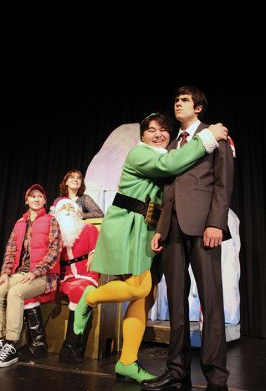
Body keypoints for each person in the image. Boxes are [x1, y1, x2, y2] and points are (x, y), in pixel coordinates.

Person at [73, 112, 228, 383]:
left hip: (149, 230)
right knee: (139, 287)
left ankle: (127, 361)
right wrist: (207, 136)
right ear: (142, 136)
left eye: (163, 130)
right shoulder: (141, 154)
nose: (158, 134)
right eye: (152, 130)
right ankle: (90, 298)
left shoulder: (163, 152)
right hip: (127, 226)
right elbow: (170, 165)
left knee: (146, 297)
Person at [142, 87, 234, 391]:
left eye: (183, 101)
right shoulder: (173, 146)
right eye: (176, 101)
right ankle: (177, 369)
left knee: (211, 301)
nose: (177, 104)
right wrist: (160, 229)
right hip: (173, 229)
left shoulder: (215, 136)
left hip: (204, 228)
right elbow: (167, 191)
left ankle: (216, 377)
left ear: (198, 108)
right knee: (177, 304)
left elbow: (223, 183)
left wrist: (215, 224)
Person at [0, 184, 62, 367]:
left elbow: (54, 252)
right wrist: (5, 272)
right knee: (1, 289)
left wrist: (36, 271)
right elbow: (10, 250)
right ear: (27, 200)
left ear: (44, 200)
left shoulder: (51, 221)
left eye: (39, 196)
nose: (36, 199)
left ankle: (11, 344)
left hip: (44, 276)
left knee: (15, 293)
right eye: (32, 196)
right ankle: (1, 340)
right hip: (21, 273)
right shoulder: (19, 223)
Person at [50, 198, 99, 363]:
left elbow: (97, 249)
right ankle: (73, 348)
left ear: (78, 210)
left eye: (71, 206)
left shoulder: (89, 228)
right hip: (64, 276)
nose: (68, 209)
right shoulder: (54, 232)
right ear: (57, 212)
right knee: (80, 290)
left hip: (87, 274)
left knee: (84, 290)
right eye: (64, 207)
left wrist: (95, 254)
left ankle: (71, 345)